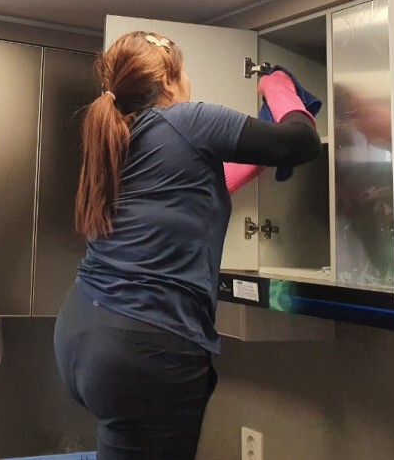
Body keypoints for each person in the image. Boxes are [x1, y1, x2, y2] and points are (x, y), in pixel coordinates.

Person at [54, 30, 320, 460]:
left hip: (84, 332)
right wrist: (278, 86)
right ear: (170, 81)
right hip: (144, 346)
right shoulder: (188, 120)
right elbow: (300, 143)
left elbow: (192, 192)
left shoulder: (118, 136)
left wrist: (254, 149)